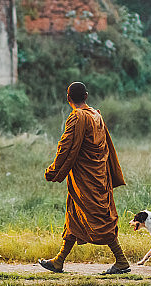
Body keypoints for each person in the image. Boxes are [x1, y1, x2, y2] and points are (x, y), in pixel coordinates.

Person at [39, 81, 130, 274]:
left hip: (86, 180)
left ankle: (121, 261)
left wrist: (54, 170)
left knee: (99, 220)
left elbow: (66, 147)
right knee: (74, 215)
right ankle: (59, 261)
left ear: (68, 98)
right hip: (96, 176)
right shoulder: (96, 115)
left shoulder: (77, 118)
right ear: (86, 96)